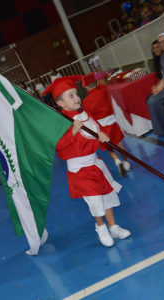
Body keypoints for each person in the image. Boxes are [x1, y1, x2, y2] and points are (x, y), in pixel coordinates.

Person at [42, 76, 131, 247]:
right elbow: (57, 144)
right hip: (79, 169)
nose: (76, 98)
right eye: (70, 96)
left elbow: (96, 129)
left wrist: (102, 135)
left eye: (76, 93)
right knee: (95, 199)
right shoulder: (59, 121)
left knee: (106, 195)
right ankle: (101, 227)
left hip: (95, 163)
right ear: (60, 103)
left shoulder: (85, 114)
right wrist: (73, 130)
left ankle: (113, 227)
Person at [81, 72, 130, 177]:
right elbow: (103, 84)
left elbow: (87, 117)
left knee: (109, 146)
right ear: (96, 83)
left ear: (85, 87)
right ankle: (126, 162)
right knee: (119, 144)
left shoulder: (85, 101)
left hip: (101, 128)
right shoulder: (103, 91)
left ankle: (117, 162)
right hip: (112, 123)